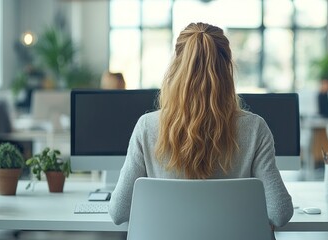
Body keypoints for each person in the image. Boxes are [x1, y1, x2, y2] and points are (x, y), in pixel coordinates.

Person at [109, 22, 293, 229]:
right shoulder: (254, 128)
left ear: (176, 67)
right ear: (227, 69)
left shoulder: (147, 127)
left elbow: (118, 212)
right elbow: (280, 212)